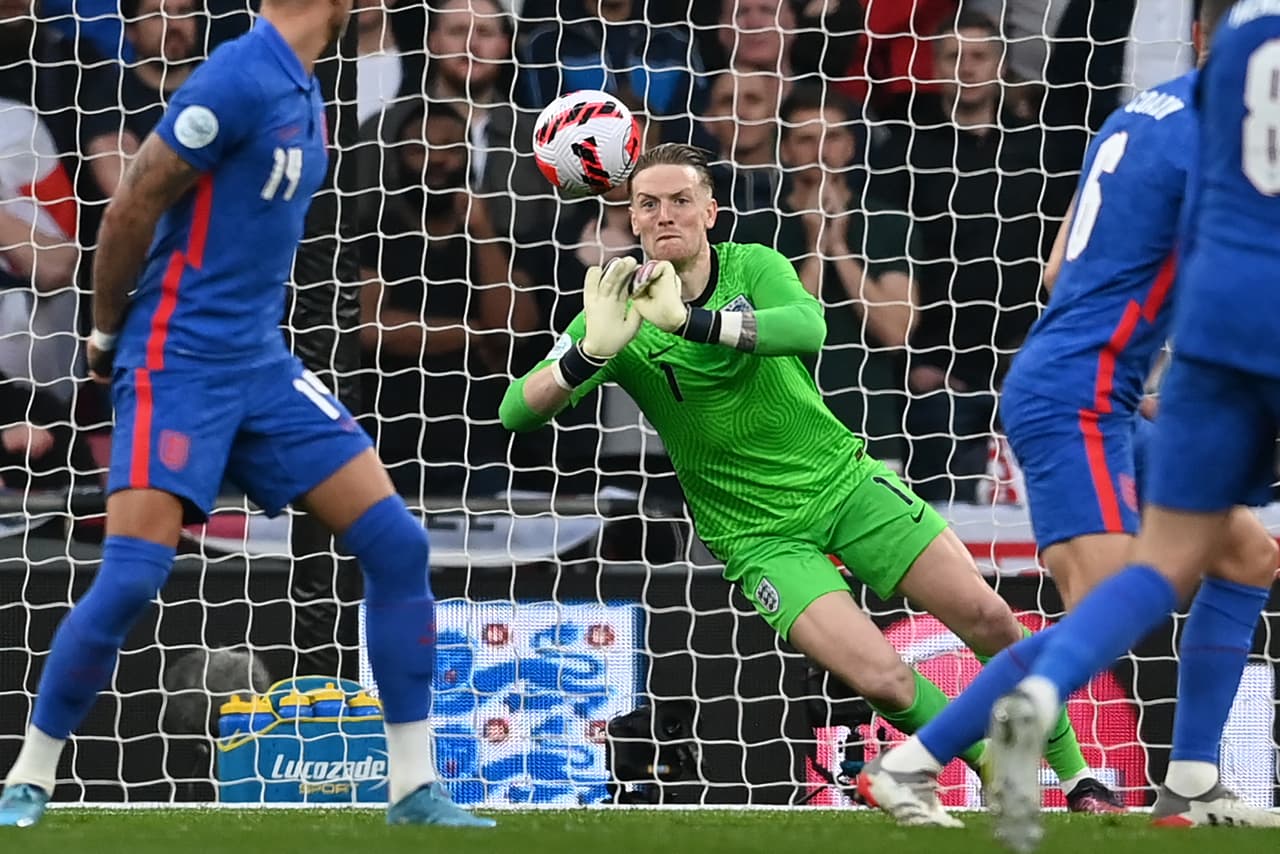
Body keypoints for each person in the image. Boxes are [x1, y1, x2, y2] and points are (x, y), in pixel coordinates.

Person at [500, 143, 1123, 824]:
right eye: (648, 203)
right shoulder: (615, 308)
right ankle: (996, 767)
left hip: (843, 485)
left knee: (991, 618)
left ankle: (1079, 776)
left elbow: (808, 327)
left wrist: (693, 323)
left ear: (710, 211)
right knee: (882, 678)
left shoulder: (754, 265)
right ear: (633, 219)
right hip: (757, 535)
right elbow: (515, 411)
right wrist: (589, 353)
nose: (665, 214)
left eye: (681, 199)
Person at [0, 0, 492, 829]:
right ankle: (29, 778)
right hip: (177, 360)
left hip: (262, 364)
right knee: (133, 577)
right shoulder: (234, 77)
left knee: (398, 545)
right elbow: (131, 207)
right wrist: (106, 335)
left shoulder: (307, 84)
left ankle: (413, 790)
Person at [858, 0, 1280, 840]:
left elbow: (1058, 267)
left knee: (1247, 554)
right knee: (1107, 609)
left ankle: (1193, 780)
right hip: (1076, 394)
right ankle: (912, 763)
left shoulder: (1140, 114)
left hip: (1098, 385)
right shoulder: (1222, 140)